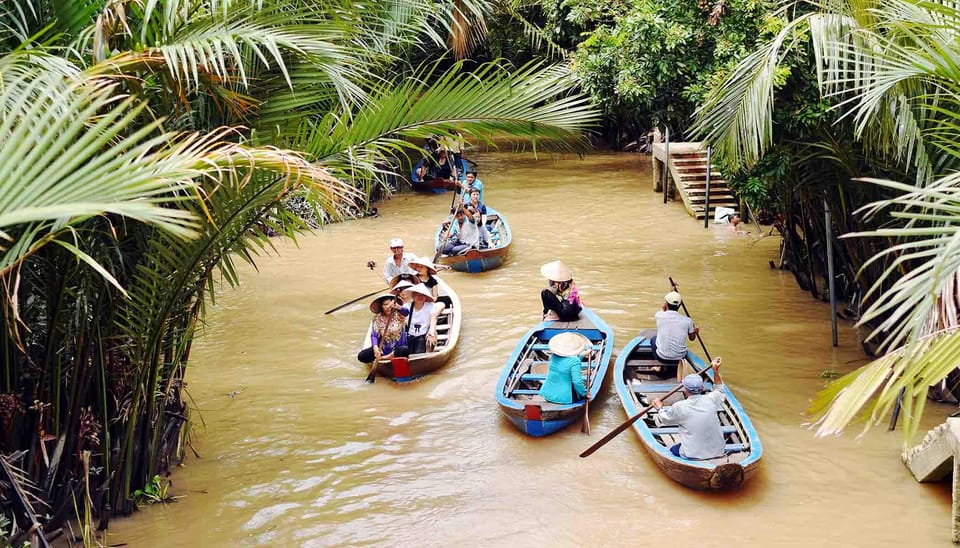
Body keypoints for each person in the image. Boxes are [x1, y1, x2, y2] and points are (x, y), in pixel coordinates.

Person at [652, 357, 727, 460]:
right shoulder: (711, 399)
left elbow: (665, 419)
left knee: (673, 450)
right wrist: (715, 371)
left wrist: (660, 408)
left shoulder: (679, 406)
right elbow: (719, 389)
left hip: (693, 454)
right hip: (718, 451)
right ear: (702, 388)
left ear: (685, 391)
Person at [357, 293, 410, 381]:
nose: (388, 307)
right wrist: (375, 348)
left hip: (397, 349)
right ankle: (381, 357)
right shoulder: (377, 318)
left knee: (404, 350)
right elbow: (374, 335)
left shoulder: (399, 314)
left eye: (390, 304)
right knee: (361, 356)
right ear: (381, 306)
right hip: (383, 349)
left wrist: (398, 307)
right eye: (385, 305)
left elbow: (406, 312)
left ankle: (384, 358)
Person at [539, 332, 591, 404]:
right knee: (579, 388)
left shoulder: (554, 356)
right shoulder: (575, 361)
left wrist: (581, 355)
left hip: (548, 395)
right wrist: (585, 393)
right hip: (565, 398)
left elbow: (566, 363)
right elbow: (577, 382)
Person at [649, 291, 698, 365]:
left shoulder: (659, 315)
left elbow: (664, 310)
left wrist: (666, 304)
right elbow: (692, 338)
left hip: (662, 358)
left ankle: (658, 366)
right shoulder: (688, 321)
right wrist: (695, 332)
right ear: (679, 306)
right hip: (680, 358)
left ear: (666, 304)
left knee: (653, 339)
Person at [401, 283, 446, 354]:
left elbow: (442, 304)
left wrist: (434, 317)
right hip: (409, 337)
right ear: (413, 296)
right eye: (417, 295)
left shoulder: (430, 306)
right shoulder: (407, 306)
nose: (420, 297)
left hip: (423, 337)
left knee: (420, 351)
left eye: (422, 295)